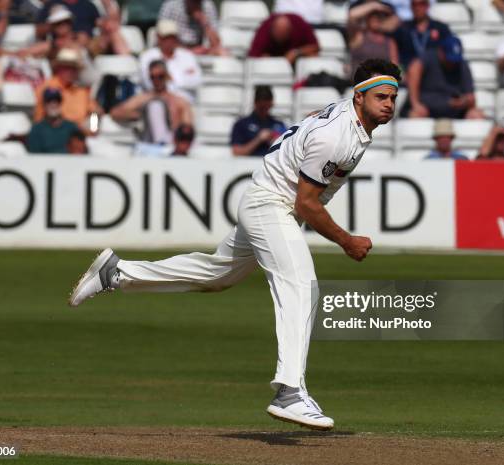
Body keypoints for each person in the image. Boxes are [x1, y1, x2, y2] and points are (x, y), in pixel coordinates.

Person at [68, 58, 402, 432]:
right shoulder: (336, 135)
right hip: (271, 205)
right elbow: (306, 203)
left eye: (392, 97)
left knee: (216, 275)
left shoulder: (350, 118)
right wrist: (347, 241)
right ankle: (290, 391)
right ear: (359, 97)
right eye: (381, 97)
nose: (388, 104)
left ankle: (118, 273)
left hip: (268, 202)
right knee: (301, 285)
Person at [110, 60, 192, 145]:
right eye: (153, 77)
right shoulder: (143, 99)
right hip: (149, 145)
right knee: (154, 106)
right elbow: (115, 113)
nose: (157, 80)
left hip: (172, 144)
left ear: (167, 76)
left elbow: (188, 129)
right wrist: (142, 114)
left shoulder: (180, 102)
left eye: (160, 76)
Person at [405, 35, 483, 119]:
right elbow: (413, 69)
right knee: (416, 115)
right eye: (449, 59)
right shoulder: (428, 58)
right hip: (427, 108)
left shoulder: (462, 65)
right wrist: (415, 104)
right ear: (441, 52)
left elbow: (471, 98)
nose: (452, 63)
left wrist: (463, 101)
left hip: (454, 112)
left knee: (476, 115)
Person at [34, 48, 100, 130]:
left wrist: (93, 128)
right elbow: (39, 116)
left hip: (78, 134)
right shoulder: (46, 87)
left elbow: (94, 112)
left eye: (74, 68)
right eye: (67, 67)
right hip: (54, 132)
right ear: (59, 68)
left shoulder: (82, 91)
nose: (71, 71)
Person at [139, 19, 202, 102]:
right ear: (158, 37)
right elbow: (149, 84)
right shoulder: (147, 57)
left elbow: (197, 81)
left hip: (187, 104)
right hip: (159, 103)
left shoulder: (187, 56)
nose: (170, 41)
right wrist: (181, 80)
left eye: (173, 37)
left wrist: (172, 79)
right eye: (166, 37)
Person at [393, 0, 451, 69]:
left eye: (421, 4)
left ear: (427, 5)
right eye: (414, 4)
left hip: (434, 71)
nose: (417, 8)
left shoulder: (440, 28)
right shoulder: (403, 29)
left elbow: (448, 51)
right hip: (409, 71)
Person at [231, 85, 287, 157]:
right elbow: (236, 152)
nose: (264, 109)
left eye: (266, 106)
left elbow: (288, 151)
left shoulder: (279, 124)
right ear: (255, 103)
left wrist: (276, 142)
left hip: (272, 166)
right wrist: (258, 139)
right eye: (261, 107)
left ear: (271, 103)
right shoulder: (241, 124)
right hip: (248, 166)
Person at [248, 13, 319, 66]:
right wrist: (265, 59)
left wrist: (297, 53)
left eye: (283, 34)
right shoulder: (264, 29)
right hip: (271, 66)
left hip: (295, 64)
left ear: (290, 31)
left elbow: (315, 47)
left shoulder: (300, 24)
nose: (280, 36)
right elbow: (252, 57)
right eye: (278, 33)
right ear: (272, 29)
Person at [348, 1, 399, 73]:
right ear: (366, 18)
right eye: (372, 15)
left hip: (382, 82)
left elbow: (395, 68)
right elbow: (351, 16)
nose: (375, 18)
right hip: (361, 82)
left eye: (379, 16)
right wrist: (374, 6)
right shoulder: (359, 36)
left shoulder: (389, 42)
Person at [158, 0, 224, 55]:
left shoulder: (207, 6)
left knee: (222, 52)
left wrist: (204, 22)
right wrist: (190, 51)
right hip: (175, 49)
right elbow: (162, 38)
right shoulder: (171, 6)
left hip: (198, 48)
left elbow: (216, 43)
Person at [27, 88, 80, 154]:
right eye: (49, 102)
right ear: (44, 105)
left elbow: (79, 151)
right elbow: (34, 155)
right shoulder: (36, 129)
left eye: (56, 101)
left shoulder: (72, 128)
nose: (53, 105)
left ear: (61, 104)